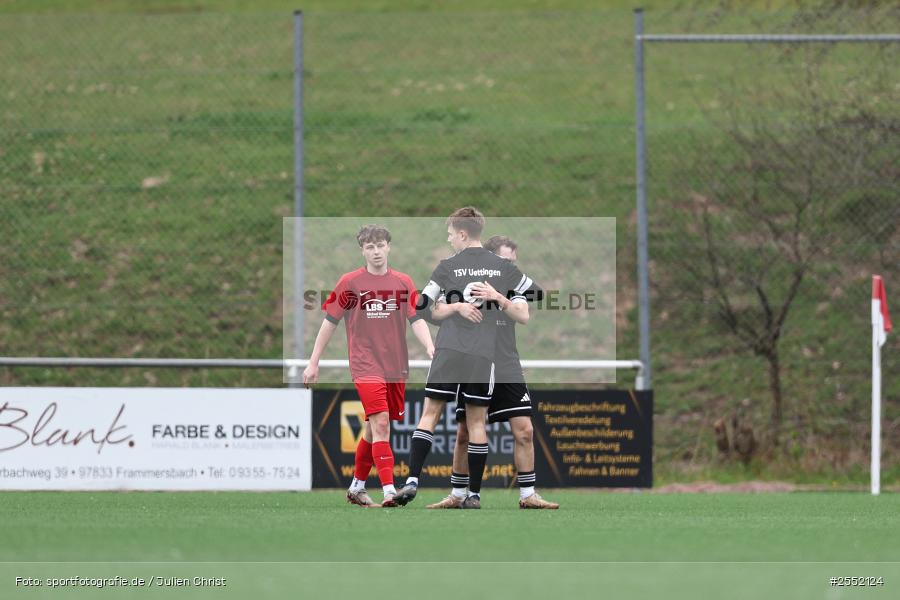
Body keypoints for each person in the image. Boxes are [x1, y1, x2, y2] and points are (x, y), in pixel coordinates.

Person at [393, 208, 538, 509]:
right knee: (475, 424)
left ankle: (412, 480)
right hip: (482, 354)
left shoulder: (447, 265)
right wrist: (498, 293)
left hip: (448, 349)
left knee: (430, 414)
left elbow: (421, 307)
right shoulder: (501, 266)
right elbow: (534, 293)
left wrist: (453, 306)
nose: (449, 240)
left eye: (449, 235)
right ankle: (472, 494)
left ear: (461, 233)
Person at [304, 225, 434, 508]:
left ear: (389, 247)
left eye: (380, 245)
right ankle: (389, 491)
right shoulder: (350, 283)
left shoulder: (403, 282)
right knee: (381, 423)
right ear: (362, 250)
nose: (376, 252)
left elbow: (416, 319)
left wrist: (429, 346)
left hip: (395, 366)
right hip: (365, 364)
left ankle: (357, 487)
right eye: (370, 247)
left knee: (373, 430)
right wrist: (314, 362)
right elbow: (330, 323)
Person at [427, 235, 559, 509]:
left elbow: (524, 316)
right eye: (505, 261)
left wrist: (499, 297)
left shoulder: (512, 288)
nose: (510, 266)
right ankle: (458, 494)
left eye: (513, 261)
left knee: (524, 431)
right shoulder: (466, 285)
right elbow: (435, 308)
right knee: (465, 432)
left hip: (507, 364)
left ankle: (528, 495)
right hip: (475, 361)